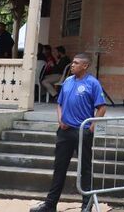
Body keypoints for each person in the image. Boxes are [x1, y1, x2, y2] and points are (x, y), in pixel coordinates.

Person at [30, 54, 106, 212]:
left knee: (85, 168)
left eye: (76, 63)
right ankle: (50, 205)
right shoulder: (68, 82)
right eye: (72, 62)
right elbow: (59, 104)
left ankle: (86, 205)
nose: (72, 65)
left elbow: (102, 108)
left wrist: (91, 125)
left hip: (82, 131)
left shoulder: (93, 83)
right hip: (65, 131)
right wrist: (60, 120)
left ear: (85, 66)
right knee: (59, 167)